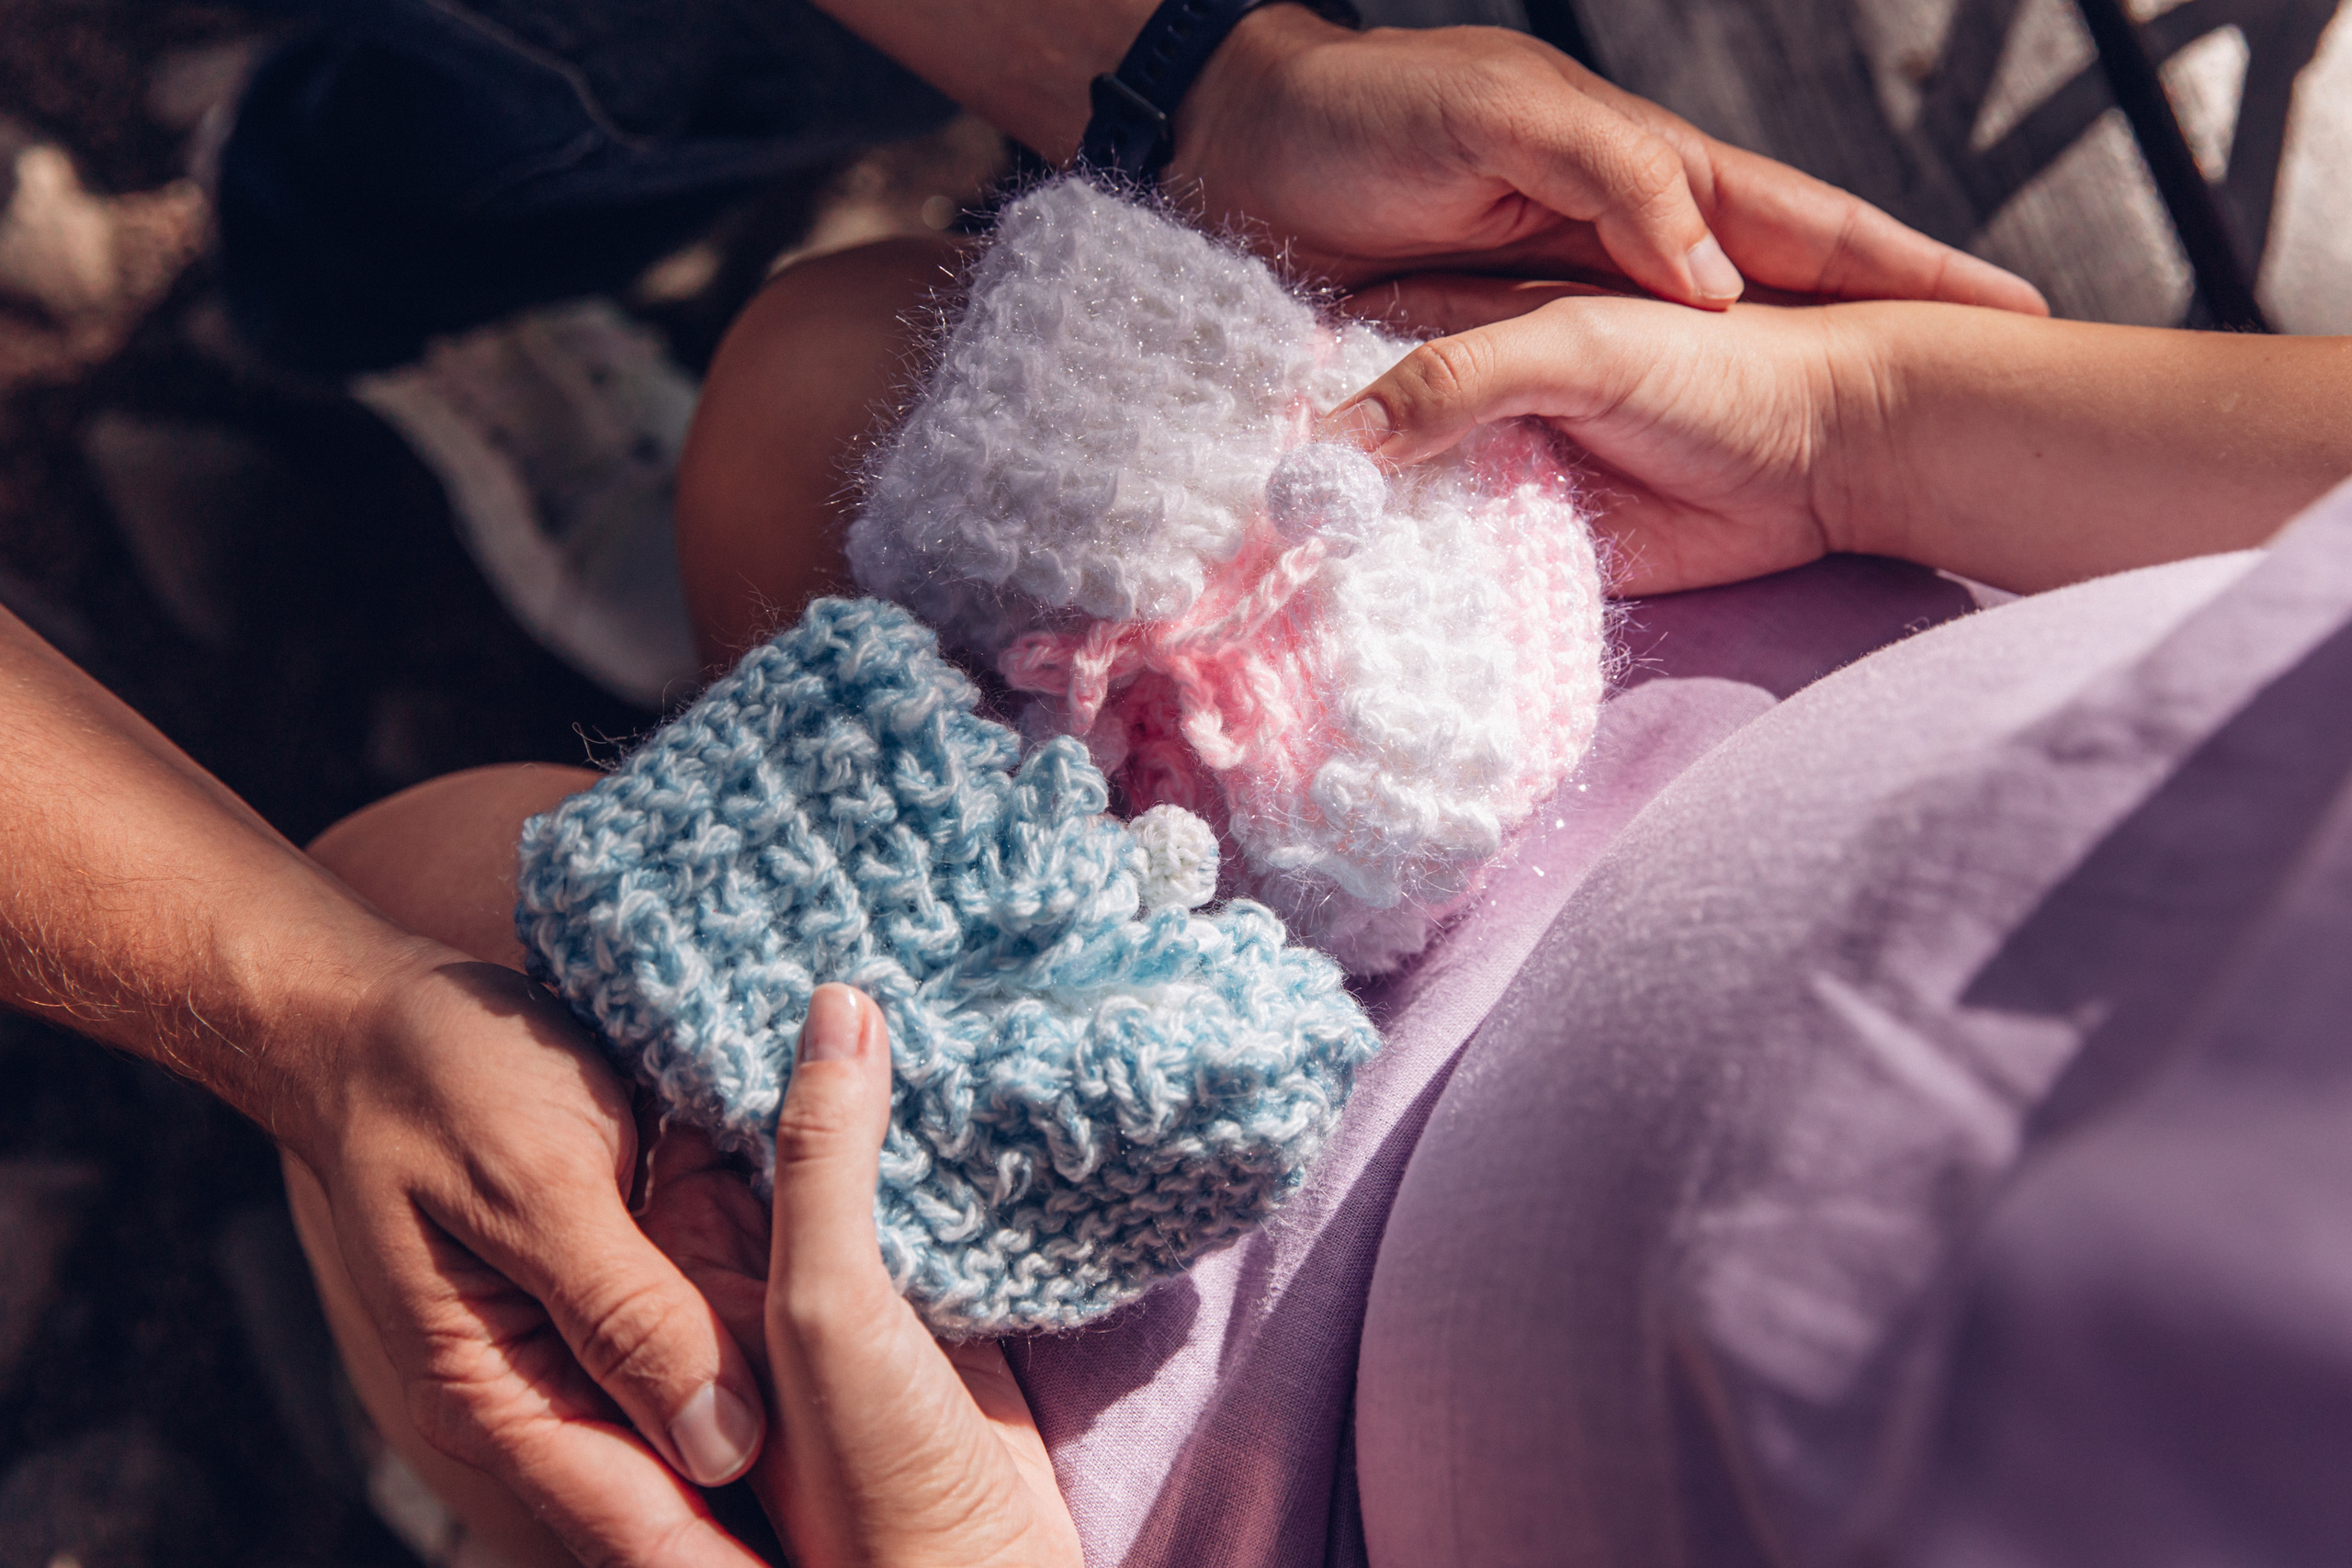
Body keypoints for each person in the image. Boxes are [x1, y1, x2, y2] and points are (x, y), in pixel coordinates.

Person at [3, 5, 2059, 1562]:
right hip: (1667, 709)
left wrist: (316, 1008)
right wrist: (1843, 416)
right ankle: (382, 264)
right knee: (814, 398)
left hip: (1150, 1437)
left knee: (457, 918)